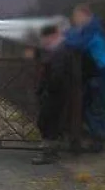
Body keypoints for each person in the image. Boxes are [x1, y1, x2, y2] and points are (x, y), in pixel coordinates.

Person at [64, 4, 105, 153]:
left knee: (95, 108)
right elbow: (74, 35)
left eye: (76, 17)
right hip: (98, 74)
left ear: (84, 15)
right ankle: (96, 137)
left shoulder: (93, 29)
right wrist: (64, 34)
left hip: (101, 74)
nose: (75, 20)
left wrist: (61, 38)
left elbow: (79, 43)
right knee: (91, 106)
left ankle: (99, 141)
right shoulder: (88, 28)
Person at [32, 25, 74, 165]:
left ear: (51, 36)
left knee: (48, 123)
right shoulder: (57, 49)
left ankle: (49, 153)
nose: (42, 42)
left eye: (44, 38)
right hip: (54, 92)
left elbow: (57, 75)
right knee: (47, 122)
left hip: (55, 93)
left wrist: (47, 90)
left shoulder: (60, 51)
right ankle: (51, 149)